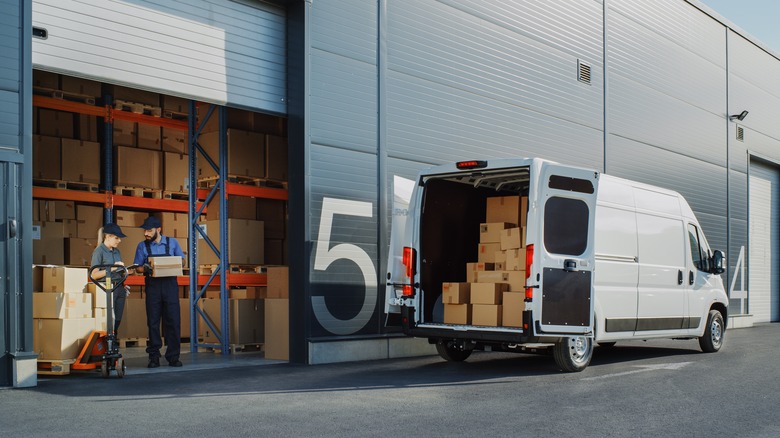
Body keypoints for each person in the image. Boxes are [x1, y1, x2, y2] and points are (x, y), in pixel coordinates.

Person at [133, 216, 185, 368]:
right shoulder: (142, 246)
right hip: (153, 286)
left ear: (158, 229)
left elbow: (183, 262)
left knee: (173, 321)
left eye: (149, 230)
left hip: (170, 286)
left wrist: (173, 262)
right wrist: (145, 268)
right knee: (153, 322)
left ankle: (173, 356)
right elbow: (137, 267)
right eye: (145, 230)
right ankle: (154, 356)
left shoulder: (172, 243)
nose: (146, 234)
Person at [90, 223, 129, 334]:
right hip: (108, 288)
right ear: (107, 236)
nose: (119, 241)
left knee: (118, 317)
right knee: (109, 318)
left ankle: (113, 340)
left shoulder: (117, 251)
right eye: (116, 238)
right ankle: (108, 342)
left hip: (119, 286)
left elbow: (117, 269)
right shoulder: (99, 251)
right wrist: (111, 268)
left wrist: (126, 271)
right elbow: (94, 274)